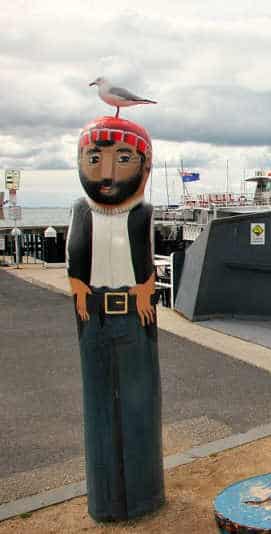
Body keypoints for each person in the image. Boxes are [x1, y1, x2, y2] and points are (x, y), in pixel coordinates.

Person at [67, 116, 164, 521]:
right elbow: (76, 258)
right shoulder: (81, 211)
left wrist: (146, 288)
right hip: (93, 315)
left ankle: (143, 495)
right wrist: (77, 286)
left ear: (145, 165)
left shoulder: (142, 213)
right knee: (99, 407)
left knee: (140, 403)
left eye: (122, 158)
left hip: (134, 315)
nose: (106, 173)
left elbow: (144, 261)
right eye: (95, 158)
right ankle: (106, 499)